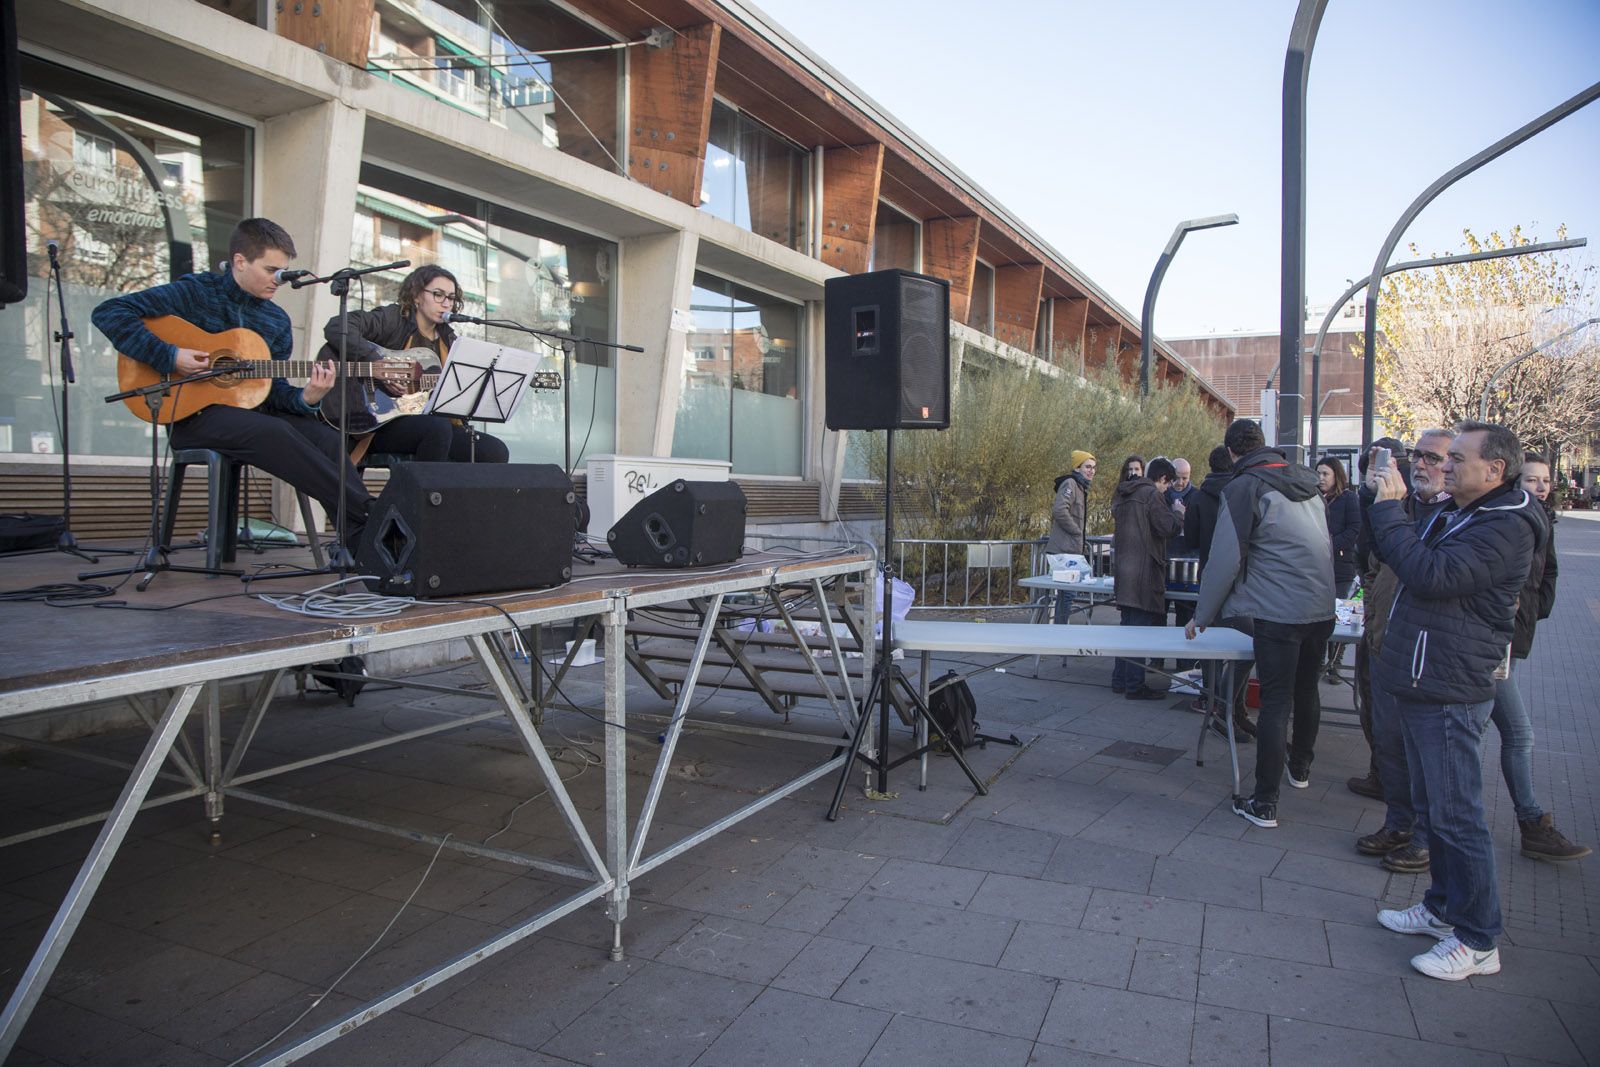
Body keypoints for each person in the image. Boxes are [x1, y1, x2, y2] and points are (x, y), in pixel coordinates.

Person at [1371, 420, 1542, 981]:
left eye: (1455, 459)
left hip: (1449, 684)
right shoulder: (1462, 511)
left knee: (1458, 814)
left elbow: (1428, 572)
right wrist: (1405, 508)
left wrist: (1388, 511)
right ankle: (1443, 907)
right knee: (1434, 808)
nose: (1442, 466)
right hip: (1426, 677)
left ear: (1494, 470)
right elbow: (1413, 554)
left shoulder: (1507, 525)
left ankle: (1478, 937)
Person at [90, 218, 372, 549]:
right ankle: (372, 514)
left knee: (327, 438)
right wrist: (170, 356)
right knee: (275, 431)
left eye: (282, 271)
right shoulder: (195, 293)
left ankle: (362, 544)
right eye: (270, 270)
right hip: (190, 415)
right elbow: (109, 312)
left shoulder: (275, 320)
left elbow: (271, 392)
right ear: (240, 261)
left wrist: (306, 398)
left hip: (248, 415)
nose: (278, 280)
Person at [1186, 419, 1333, 830]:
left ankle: (1264, 802)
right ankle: (1300, 768)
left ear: (1232, 452)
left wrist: (1202, 615)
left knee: (1275, 703)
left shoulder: (1244, 486)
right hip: (1321, 608)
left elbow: (1225, 559)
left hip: (1278, 611)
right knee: (1307, 690)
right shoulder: (1307, 483)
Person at [1354, 430, 1452, 875]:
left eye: (1433, 458)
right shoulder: (1405, 505)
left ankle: (1427, 837)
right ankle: (1398, 823)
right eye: (1417, 456)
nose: (1420, 465)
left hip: (1433, 656)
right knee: (1388, 741)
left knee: (1428, 753)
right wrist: (1371, 498)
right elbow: (1374, 556)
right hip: (1387, 640)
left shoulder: (1462, 516)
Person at [1492, 453, 1589, 861]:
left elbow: (1547, 573)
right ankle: (1531, 823)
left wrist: (1539, 606)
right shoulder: (1510, 524)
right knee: (1517, 733)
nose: (1541, 487)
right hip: (1495, 645)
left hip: (1514, 640)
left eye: (1545, 480)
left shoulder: (1540, 522)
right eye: (1532, 480)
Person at [320, 264, 511, 465]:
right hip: (380, 422)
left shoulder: (450, 341)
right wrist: (379, 364)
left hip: (431, 424)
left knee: (494, 451)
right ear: (416, 295)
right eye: (438, 294)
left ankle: (450, 495)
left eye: (451, 298)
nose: (446, 303)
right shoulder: (393, 319)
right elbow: (336, 326)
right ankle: (423, 495)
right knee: (437, 429)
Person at [1184, 445, 1254, 739]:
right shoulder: (1245, 493)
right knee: (1246, 646)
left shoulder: (1199, 497)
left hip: (1209, 574)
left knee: (1211, 643)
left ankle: (1214, 701)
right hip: (1242, 583)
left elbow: (1190, 538)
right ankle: (1227, 709)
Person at [1110, 456, 1181, 700]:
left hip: (1124, 572)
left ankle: (1119, 680)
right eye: (1168, 484)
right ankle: (1134, 685)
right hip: (1142, 574)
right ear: (1162, 479)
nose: (1168, 489)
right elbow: (1166, 528)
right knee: (1137, 632)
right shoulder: (1152, 494)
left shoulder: (1125, 492)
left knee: (1126, 629)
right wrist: (1179, 514)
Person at [1317, 455, 1361, 683]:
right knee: (1319, 615)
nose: (1321, 478)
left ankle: (1335, 662)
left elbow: (1355, 529)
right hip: (1317, 567)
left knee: (1339, 615)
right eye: (1319, 473)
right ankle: (1320, 661)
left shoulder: (1348, 499)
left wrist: (1332, 545)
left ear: (1336, 476)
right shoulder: (1315, 498)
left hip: (1341, 566)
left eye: (1325, 474)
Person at [1046, 450, 1097, 623]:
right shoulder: (1070, 484)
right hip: (1064, 551)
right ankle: (1061, 632)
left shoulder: (1080, 486)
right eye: (1087, 467)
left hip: (1070, 550)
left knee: (1066, 594)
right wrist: (1077, 531)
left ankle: (1061, 629)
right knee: (1067, 594)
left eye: (1093, 468)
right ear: (1077, 467)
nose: (1091, 471)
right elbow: (1059, 510)